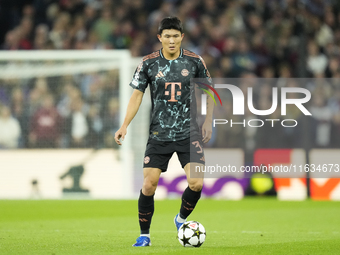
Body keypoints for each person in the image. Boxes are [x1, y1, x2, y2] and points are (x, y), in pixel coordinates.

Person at [114, 17, 214, 247]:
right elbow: (136, 95)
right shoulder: (148, 63)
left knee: (196, 183)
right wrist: (124, 125)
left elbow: (210, 91)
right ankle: (145, 235)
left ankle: (180, 219)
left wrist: (208, 121)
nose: (171, 40)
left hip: (189, 133)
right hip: (160, 134)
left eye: (175, 36)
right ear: (159, 38)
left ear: (182, 37)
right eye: (167, 36)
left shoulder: (195, 61)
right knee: (149, 185)